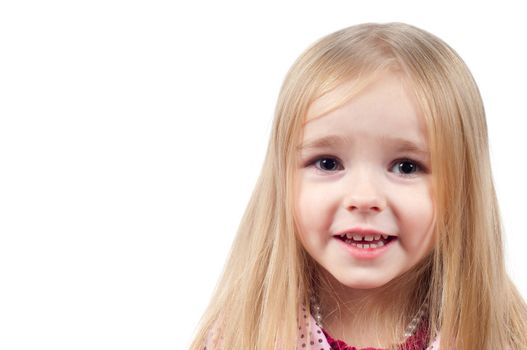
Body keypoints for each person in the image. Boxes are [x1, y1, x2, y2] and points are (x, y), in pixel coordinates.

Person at [189, 22, 527, 349]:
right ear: (282, 182)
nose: (364, 198)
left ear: (463, 187)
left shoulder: (500, 336)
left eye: (406, 167)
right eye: (328, 163)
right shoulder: (244, 335)